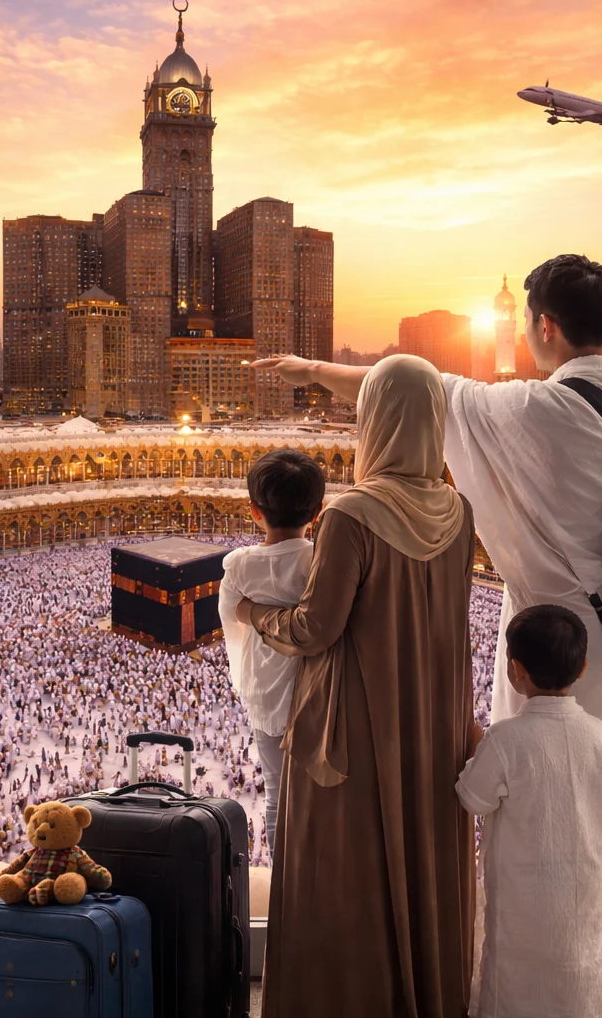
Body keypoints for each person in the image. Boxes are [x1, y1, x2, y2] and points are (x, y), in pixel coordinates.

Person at [252, 254, 602, 1017]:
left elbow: (406, 388)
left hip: (552, 659)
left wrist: (307, 367)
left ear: (543, 327)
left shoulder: (528, 412)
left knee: (533, 860)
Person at [235, 354, 476, 1018]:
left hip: (358, 723)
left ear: (375, 419)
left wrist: (255, 614)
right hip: (431, 721)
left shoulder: (351, 514)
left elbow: (315, 630)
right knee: (418, 860)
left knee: (341, 874)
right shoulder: (459, 513)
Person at [458, 604, 602, 1018]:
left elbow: (471, 798)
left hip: (523, 904)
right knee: (585, 976)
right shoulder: (600, 736)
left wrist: (473, 744)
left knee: (518, 984)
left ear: (515, 670)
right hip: (585, 896)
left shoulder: (505, 739)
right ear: (583, 668)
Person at [216, 448, 324, 856]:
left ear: (253, 511)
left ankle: (285, 888)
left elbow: (233, 623)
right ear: (318, 511)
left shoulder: (240, 565)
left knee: (278, 794)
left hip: (267, 698)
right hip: (317, 695)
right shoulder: (321, 561)